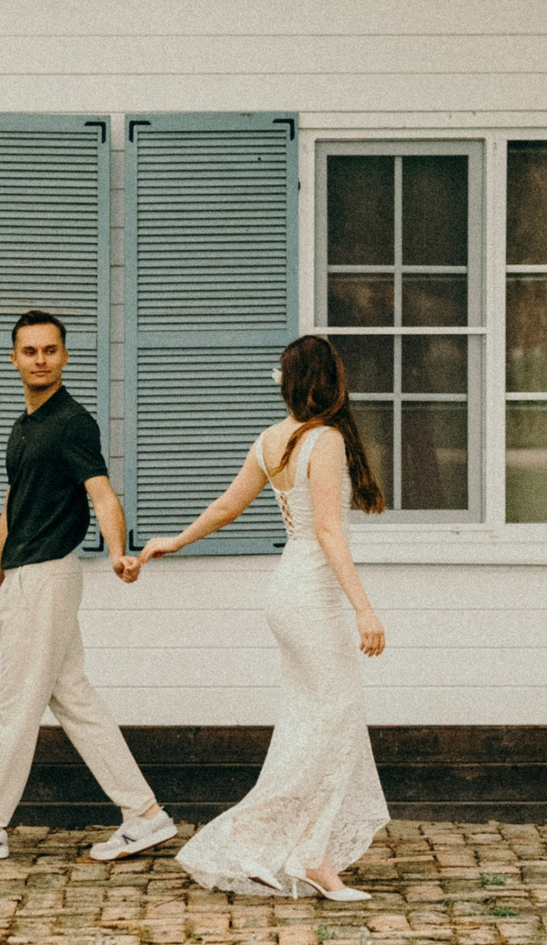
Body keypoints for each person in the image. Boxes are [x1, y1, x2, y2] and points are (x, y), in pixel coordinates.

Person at [0, 310, 178, 864]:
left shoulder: (71, 422)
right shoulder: (24, 426)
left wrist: (117, 553)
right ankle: (145, 815)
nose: (40, 359)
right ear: (14, 359)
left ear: (65, 356)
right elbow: (10, 513)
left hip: (48, 577)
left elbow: (102, 494)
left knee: (16, 710)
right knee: (75, 700)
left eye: (50, 350)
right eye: (30, 351)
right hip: (24, 578)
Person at [136, 334, 390, 901]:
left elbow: (228, 506)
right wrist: (364, 608)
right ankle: (273, 841)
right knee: (334, 722)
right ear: (331, 380)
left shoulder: (271, 440)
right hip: (313, 597)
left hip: (289, 593)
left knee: (313, 723)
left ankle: (309, 851)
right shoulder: (322, 441)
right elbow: (327, 530)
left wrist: (174, 542)